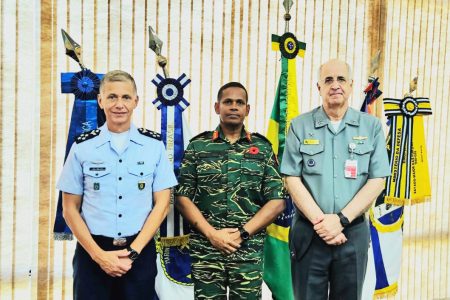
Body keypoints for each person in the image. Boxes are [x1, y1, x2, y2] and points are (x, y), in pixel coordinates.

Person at [57, 70, 177, 300]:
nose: (119, 104)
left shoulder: (153, 146)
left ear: (136, 101)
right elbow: (69, 209)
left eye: (125, 97)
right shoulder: (82, 147)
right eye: (112, 97)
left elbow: (162, 204)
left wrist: (133, 252)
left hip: (139, 252)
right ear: (100, 101)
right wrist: (99, 256)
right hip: (92, 253)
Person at [281, 59, 391, 300]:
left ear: (351, 86)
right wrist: (323, 223)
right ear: (318, 87)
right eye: (328, 80)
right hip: (309, 235)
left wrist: (341, 220)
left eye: (341, 79)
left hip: (352, 235)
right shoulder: (299, 126)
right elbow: (291, 178)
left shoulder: (371, 126)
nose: (335, 85)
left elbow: (377, 180)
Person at [175, 82, 286, 299]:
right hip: (207, 249)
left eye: (239, 102)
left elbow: (278, 201)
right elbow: (182, 197)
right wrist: (212, 235)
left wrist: (242, 233)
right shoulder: (198, 146)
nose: (233, 107)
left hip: (247, 250)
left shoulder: (262, 148)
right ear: (217, 107)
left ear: (247, 109)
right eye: (228, 102)